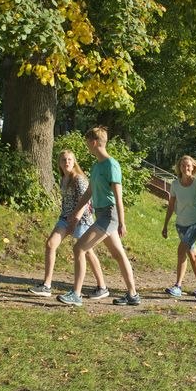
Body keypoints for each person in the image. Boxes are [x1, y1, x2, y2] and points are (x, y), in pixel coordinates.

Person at [58, 126, 141, 307]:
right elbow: (89, 192)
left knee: (79, 248)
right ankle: (133, 295)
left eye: (88, 142)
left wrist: (122, 222)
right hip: (101, 214)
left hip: (110, 215)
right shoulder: (96, 166)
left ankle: (76, 294)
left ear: (94, 142)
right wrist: (75, 213)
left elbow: (118, 197)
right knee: (119, 255)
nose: (87, 146)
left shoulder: (111, 165)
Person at [29, 150, 108, 299]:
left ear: (74, 162)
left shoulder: (79, 179)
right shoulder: (63, 179)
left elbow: (85, 202)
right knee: (50, 244)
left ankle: (102, 286)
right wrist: (67, 220)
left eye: (70, 160)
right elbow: (66, 202)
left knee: (87, 252)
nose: (67, 162)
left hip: (82, 219)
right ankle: (46, 285)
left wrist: (76, 220)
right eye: (64, 160)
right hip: (65, 218)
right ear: (59, 163)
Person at [160, 154, 196, 298]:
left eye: (188, 165)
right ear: (179, 167)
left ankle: (178, 286)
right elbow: (171, 205)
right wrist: (165, 225)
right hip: (180, 224)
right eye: (183, 165)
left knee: (181, 250)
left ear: (193, 167)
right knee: (192, 255)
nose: (186, 168)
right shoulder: (174, 184)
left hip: (195, 222)